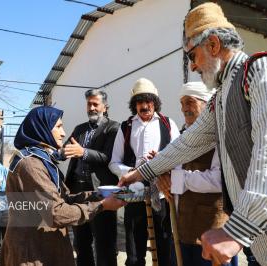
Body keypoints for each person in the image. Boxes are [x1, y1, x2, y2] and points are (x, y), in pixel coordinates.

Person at [118, 2, 267, 266]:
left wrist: (236, 231)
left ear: (212, 45)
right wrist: (142, 172)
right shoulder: (221, 97)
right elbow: (188, 143)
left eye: (192, 56)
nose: (193, 66)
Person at [0, 106, 126, 266]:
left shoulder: (41, 158)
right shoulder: (31, 164)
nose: (64, 133)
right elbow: (56, 213)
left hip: (44, 244)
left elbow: (62, 198)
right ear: (42, 128)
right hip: (32, 251)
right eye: (58, 127)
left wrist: (98, 195)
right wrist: (100, 206)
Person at [156, 82, 237, 266]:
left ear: (207, 104)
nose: (184, 108)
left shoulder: (220, 136)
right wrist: (162, 179)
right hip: (182, 230)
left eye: (189, 102)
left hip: (211, 233)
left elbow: (220, 179)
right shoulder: (182, 136)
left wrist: (176, 179)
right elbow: (171, 168)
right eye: (182, 103)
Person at [109, 78, 180, 266]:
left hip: (162, 194)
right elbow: (113, 162)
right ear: (134, 105)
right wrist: (132, 171)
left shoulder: (168, 124)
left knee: (165, 246)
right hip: (134, 194)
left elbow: (180, 157)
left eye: (148, 101)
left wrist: (163, 162)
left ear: (155, 102)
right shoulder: (125, 127)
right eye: (140, 102)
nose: (145, 106)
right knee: (133, 253)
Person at [63, 89, 120, 266]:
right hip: (77, 191)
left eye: (96, 104)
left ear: (105, 106)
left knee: (104, 241)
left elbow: (108, 157)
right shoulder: (79, 129)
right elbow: (65, 150)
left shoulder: (113, 128)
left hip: (100, 191)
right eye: (89, 104)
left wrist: (83, 152)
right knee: (81, 241)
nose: (92, 107)